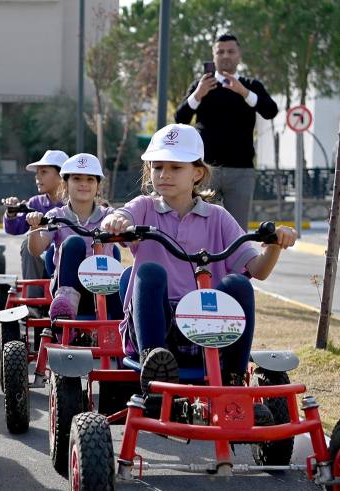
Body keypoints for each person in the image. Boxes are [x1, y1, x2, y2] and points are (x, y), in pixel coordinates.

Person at [101, 124, 295, 396]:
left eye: (176, 167)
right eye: (158, 167)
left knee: (238, 284)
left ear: (197, 173)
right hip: (157, 326)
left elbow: (258, 270)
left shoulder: (217, 217)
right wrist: (117, 221)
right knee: (149, 272)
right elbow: (122, 215)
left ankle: (233, 376)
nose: (164, 174)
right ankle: (153, 366)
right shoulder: (144, 208)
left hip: (207, 325)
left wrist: (274, 245)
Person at [174, 33, 278, 230]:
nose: (225, 55)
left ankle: (236, 263)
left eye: (231, 51)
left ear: (239, 55)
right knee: (201, 227)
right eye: (220, 52)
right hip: (205, 170)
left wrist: (243, 92)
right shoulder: (201, 85)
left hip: (241, 170)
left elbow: (270, 111)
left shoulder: (250, 86)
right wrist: (198, 95)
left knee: (237, 232)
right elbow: (180, 118)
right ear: (213, 56)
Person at [25, 153, 123, 322]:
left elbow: (130, 240)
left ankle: (124, 335)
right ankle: (65, 309)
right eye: (77, 179)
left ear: (98, 186)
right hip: (67, 283)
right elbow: (36, 250)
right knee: (73, 242)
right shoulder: (56, 216)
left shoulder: (109, 215)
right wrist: (34, 227)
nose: (84, 184)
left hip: (103, 284)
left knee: (123, 285)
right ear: (65, 184)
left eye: (90, 180)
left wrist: (121, 225)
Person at [2, 149, 68, 294]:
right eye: (37, 173)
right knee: (27, 244)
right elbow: (14, 229)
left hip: (68, 259)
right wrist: (12, 212)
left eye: (43, 172)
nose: (37, 177)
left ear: (62, 176)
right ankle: (33, 304)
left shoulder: (75, 203)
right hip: (41, 260)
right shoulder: (35, 203)